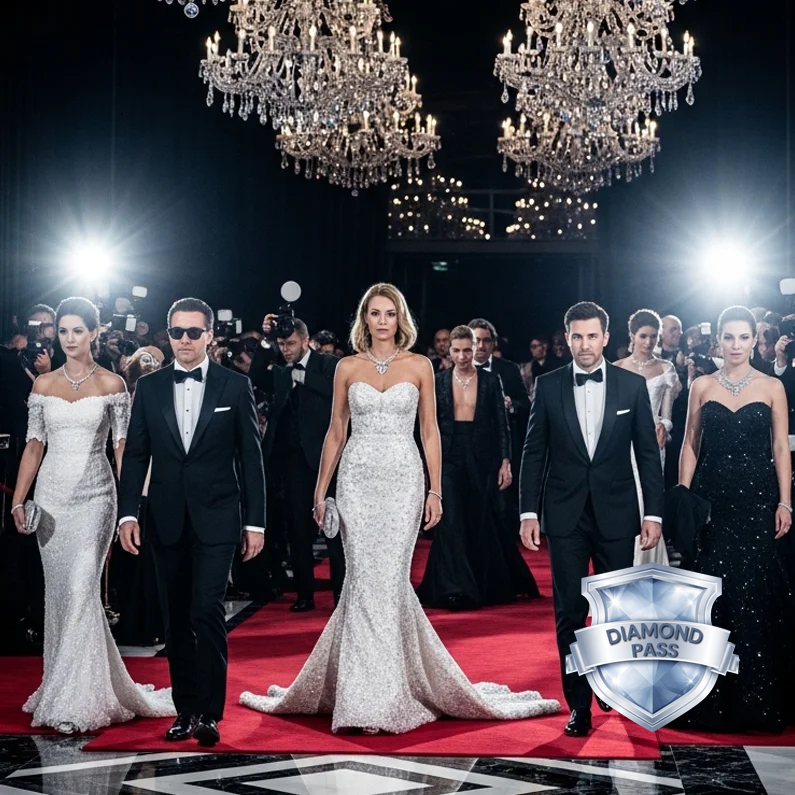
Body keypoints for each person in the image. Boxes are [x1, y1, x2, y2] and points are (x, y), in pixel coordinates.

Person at [240, 283, 560, 734]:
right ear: (365, 319)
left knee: (389, 579)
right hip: (356, 481)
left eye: (390, 313)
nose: (383, 321)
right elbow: (336, 431)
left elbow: (429, 431)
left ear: (400, 318)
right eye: (375, 313)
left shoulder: (420, 365)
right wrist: (320, 490)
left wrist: (435, 490)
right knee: (361, 579)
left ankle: (387, 689)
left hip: (403, 482)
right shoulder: (347, 367)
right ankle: (363, 691)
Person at [10, 297, 175, 734]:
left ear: (94, 333)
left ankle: (75, 700)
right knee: (61, 596)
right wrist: (18, 500)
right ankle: (63, 684)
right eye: (63, 331)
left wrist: (130, 506)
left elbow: (123, 447)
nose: (68, 339)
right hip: (50, 499)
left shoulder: (112, 384)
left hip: (96, 499)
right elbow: (33, 445)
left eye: (77, 331)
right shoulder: (43, 385)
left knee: (84, 588)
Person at [118, 297, 266, 748]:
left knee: (206, 610)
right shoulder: (150, 388)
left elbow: (251, 459)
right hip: (164, 518)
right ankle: (184, 710)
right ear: (168, 335)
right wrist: (128, 512)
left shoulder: (235, 386)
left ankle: (209, 714)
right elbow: (136, 454)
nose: (184, 340)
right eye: (177, 332)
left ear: (209, 335)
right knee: (176, 618)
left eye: (193, 332)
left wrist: (255, 523)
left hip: (218, 517)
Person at [519, 301, 663, 737]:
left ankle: (608, 680)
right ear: (567, 339)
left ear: (606, 337)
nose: (584, 344)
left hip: (617, 513)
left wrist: (653, 512)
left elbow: (648, 453)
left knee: (614, 609)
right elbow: (533, 452)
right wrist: (528, 511)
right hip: (564, 515)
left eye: (592, 336)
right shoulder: (548, 386)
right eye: (577, 336)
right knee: (569, 612)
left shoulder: (631, 386)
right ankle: (578, 704)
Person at [676, 305, 795, 732]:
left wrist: (785, 502)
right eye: (729, 337)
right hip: (712, 500)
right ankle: (709, 699)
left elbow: (780, 447)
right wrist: (684, 496)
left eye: (744, 337)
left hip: (757, 500)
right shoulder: (702, 385)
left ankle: (758, 698)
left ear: (755, 340)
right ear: (719, 340)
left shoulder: (772, 386)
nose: (736, 345)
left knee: (754, 590)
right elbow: (690, 443)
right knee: (713, 589)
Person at [417, 325, 538, 610]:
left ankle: (483, 585)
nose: (462, 356)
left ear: (476, 349)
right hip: (448, 455)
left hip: (483, 456)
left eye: (467, 350)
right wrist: (427, 464)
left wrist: (505, 461)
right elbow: (428, 425)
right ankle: (455, 588)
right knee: (452, 519)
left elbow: (501, 423)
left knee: (481, 517)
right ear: (448, 351)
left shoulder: (490, 380)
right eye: (456, 351)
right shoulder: (438, 381)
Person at [249, 315, 344, 611]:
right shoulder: (279, 369)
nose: (286, 349)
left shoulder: (328, 364)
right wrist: (265, 341)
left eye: (290, 343)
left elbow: (339, 391)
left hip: (328, 460)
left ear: (306, 341)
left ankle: (342, 596)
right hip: (292, 462)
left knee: (335, 530)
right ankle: (305, 594)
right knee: (298, 529)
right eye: (281, 344)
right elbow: (255, 376)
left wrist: (302, 378)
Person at [613, 309, 680, 565]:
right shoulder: (617, 368)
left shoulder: (665, 369)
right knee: (625, 497)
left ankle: (648, 561)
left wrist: (664, 426)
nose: (649, 342)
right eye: (643, 336)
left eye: (653, 336)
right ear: (632, 336)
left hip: (652, 443)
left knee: (648, 498)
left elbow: (668, 416)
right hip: (621, 445)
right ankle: (622, 560)